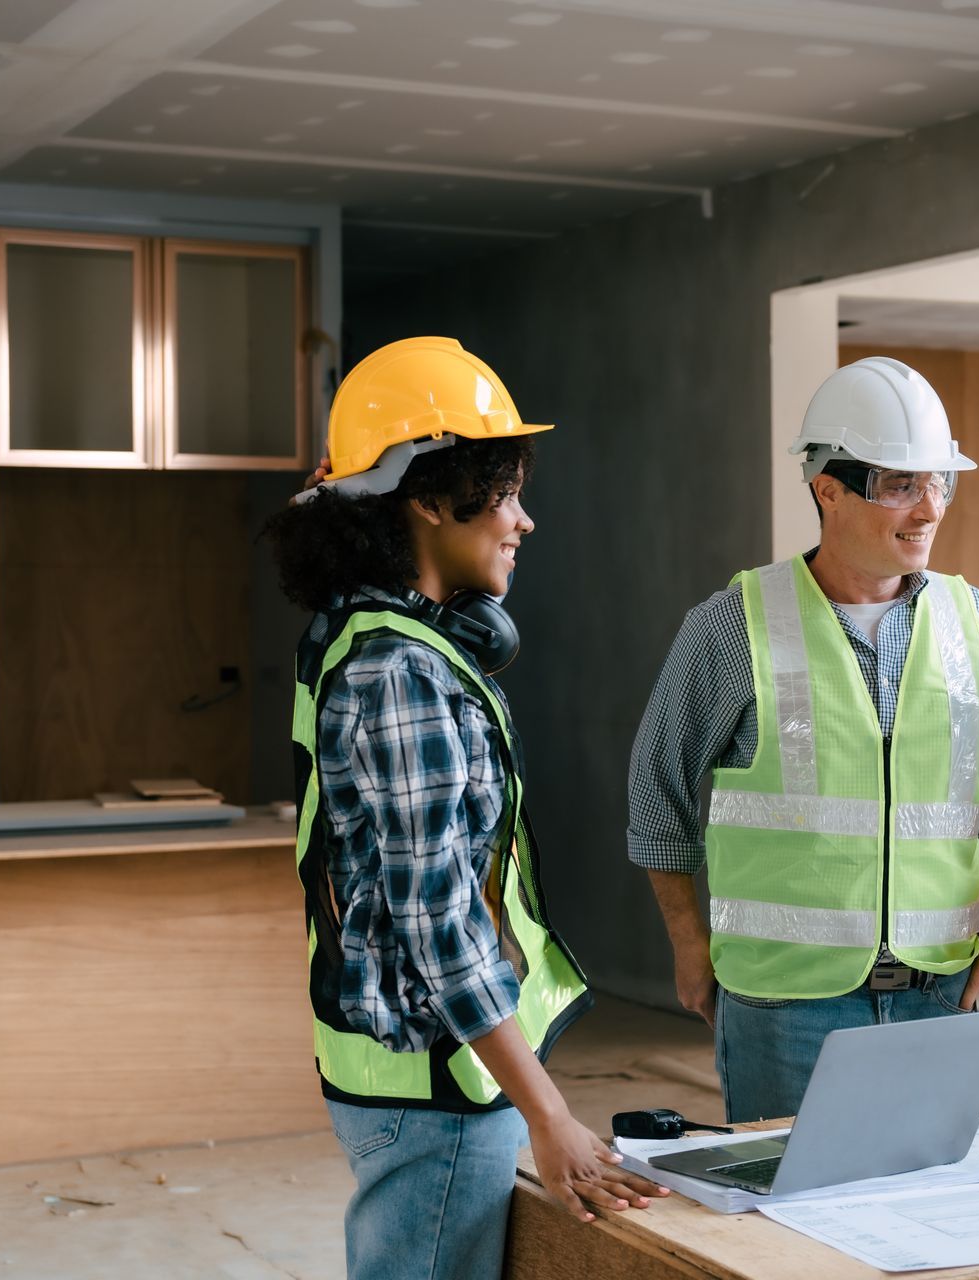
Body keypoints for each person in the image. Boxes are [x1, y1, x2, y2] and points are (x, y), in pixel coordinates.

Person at [264, 336, 663, 1279]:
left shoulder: (372, 633)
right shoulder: (400, 673)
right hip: (433, 1087)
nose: (524, 521)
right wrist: (548, 1113)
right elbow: (440, 921)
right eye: (506, 493)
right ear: (433, 498)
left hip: (405, 1074)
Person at [630, 356, 979, 1123]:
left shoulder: (975, 622)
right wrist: (689, 946)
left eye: (941, 482)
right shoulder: (733, 626)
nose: (929, 509)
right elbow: (655, 794)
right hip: (788, 1010)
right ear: (828, 488)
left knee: (931, 1226)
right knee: (797, 1229)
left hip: (942, 995)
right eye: (900, 484)